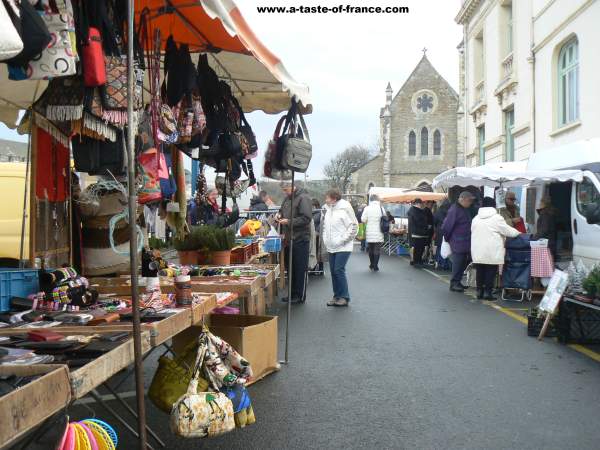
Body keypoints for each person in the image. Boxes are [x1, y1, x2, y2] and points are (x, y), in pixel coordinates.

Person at [471, 197, 521, 300]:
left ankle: (479, 292)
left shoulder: (475, 218)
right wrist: (518, 233)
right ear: (493, 206)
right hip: (492, 249)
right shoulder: (496, 218)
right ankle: (487, 293)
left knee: (480, 270)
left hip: (477, 249)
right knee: (490, 271)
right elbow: (507, 230)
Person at [278, 182, 313, 303]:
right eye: (283, 190)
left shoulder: (304, 198)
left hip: (300, 238)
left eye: (286, 189)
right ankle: (292, 294)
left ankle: (299, 295)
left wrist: (288, 222)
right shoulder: (287, 199)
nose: (285, 192)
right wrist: (279, 215)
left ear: (293, 187)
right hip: (289, 238)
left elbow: (306, 218)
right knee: (291, 268)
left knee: (299, 268)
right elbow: (282, 210)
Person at [322, 189, 358, 307]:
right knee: (333, 271)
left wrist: (342, 240)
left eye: (327, 198)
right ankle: (337, 296)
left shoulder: (345, 209)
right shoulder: (328, 210)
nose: (326, 200)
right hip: (331, 246)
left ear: (334, 198)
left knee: (338, 270)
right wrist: (325, 239)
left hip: (343, 246)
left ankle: (344, 297)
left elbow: (354, 227)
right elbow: (325, 227)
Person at [442, 191, 476, 292]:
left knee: (462, 263)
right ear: (463, 199)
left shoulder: (463, 209)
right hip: (458, 241)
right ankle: (454, 283)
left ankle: (458, 281)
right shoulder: (455, 209)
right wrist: (448, 239)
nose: (470, 202)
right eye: (469, 200)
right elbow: (446, 226)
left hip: (464, 242)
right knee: (458, 262)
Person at [361, 194, 385, 271]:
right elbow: (385, 217)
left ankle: (371, 264)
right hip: (379, 231)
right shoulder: (381, 208)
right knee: (377, 249)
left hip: (370, 231)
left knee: (371, 248)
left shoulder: (367, 208)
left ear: (370, 200)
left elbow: (363, 219)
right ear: (377, 200)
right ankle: (375, 266)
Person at [407, 198, 432, 268]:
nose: (422, 205)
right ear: (418, 204)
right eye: (421, 204)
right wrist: (427, 226)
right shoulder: (415, 211)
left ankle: (416, 261)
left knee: (418, 248)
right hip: (418, 233)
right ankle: (417, 261)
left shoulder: (413, 210)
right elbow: (419, 221)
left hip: (416, 233)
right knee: (418, 248)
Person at [433, 199, 451, 270]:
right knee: (448, 248)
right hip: (448, 232)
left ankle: (439, 263)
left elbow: (434, 221)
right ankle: (446, 264)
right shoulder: (450, 211)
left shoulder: (438, 212)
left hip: (439, 232)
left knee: (439, 248)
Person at [312, 198, 324, 273]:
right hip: (311, 235)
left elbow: (321, 223)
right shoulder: (310, 213)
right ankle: (312, 267)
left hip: (317, 235)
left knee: (318, 251)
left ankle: (320, 268)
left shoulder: (320, 213)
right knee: (313, 251)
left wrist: (317, 231)